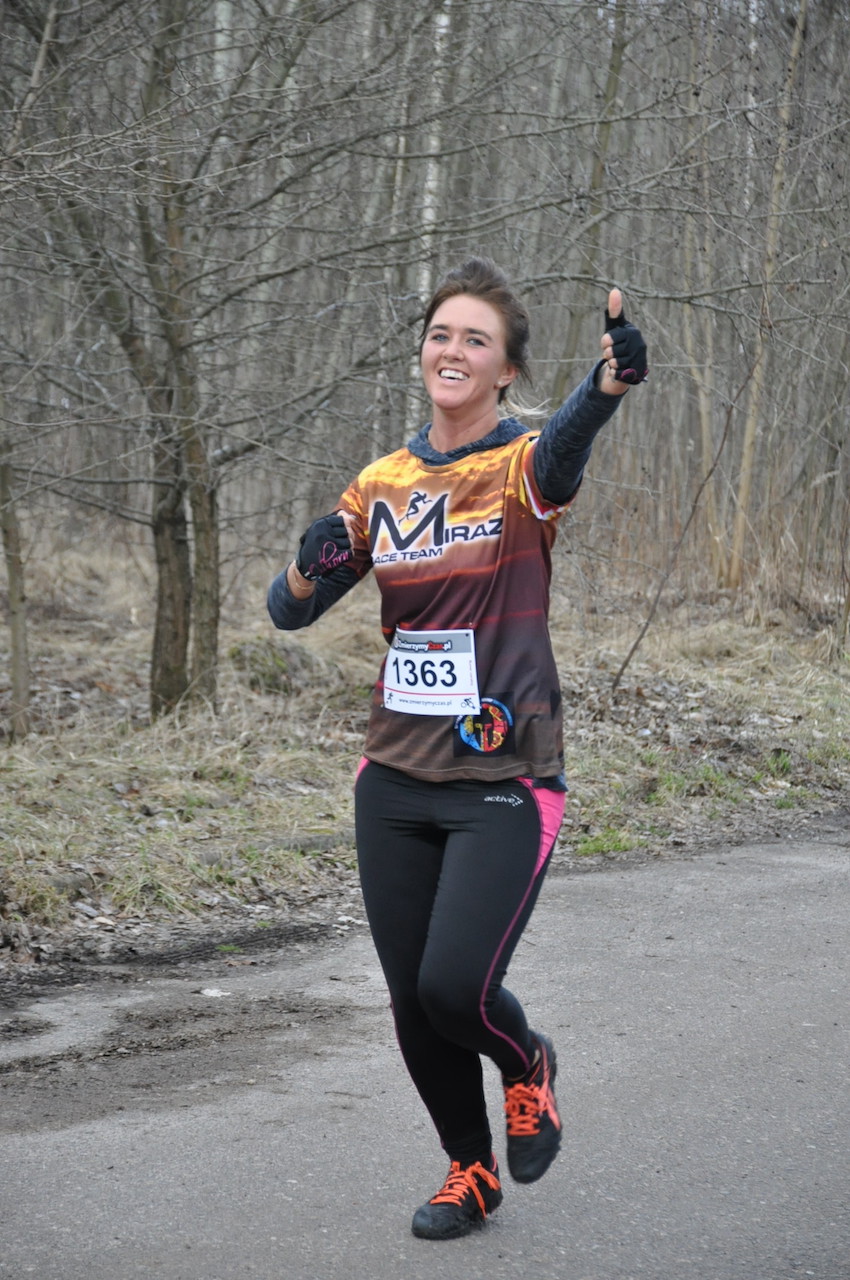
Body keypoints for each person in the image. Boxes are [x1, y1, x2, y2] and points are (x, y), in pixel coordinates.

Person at [267, 257, 647, 1241]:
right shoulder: (382, 484)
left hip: (505, 774)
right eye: (441, 333)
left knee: (454, 986)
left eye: (476, 339)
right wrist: (306, 571)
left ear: (505, 369)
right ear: (422, 353)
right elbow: (291, 611)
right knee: (410, 1001)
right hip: (393, 776)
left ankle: (528, 1062)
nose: (453, 350)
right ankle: (469, 1169)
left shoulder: (521, 467)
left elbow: (563, 448)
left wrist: (604, 387)